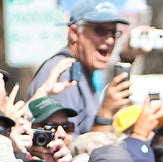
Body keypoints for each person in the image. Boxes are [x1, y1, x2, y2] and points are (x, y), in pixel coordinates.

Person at [27, 0, 132, 136]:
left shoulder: (83, 69)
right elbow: (63, 143)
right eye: (100, 31)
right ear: (74, 33)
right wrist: (105, 115)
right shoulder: (63, 75)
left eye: (113, 32)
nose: (110, 40)